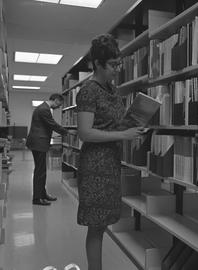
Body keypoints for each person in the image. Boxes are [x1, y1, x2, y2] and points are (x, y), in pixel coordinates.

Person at [76, 34, 146, 270]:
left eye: (119, 64)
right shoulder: (88, 91)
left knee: (104, 223)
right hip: (95, 166)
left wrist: (133, 125)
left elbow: (113, 124)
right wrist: (123, 135)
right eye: (113, 65)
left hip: (112, 163)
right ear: (97, 64)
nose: (117, 69)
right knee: (96, 226)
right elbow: (85, 133)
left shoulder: (114, 91)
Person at [26, 93, 68, 206]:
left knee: (42, 171)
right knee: (40, 171)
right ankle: (37, 198)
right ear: (55, 100)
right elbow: (52, 124)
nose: (59, 106)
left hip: (38, 142)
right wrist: (67, 132)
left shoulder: (43, 108)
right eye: (59, 103)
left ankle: (42, 194)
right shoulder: (44, 109)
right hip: (38, 143)